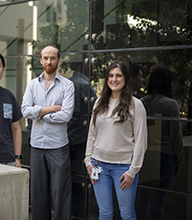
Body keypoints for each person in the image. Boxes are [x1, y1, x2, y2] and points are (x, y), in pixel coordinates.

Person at [84, 60, 147, 220]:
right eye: (111, 76)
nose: (114, 79)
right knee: (104, 214)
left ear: (125, 78)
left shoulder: (136, 105)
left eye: (118, 75)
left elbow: (141, 141)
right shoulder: (99, 102)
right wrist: (88, 162)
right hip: (99, 167)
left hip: (123, 168)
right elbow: (92, 134)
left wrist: (133, 171)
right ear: (107, 79)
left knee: (127, 214)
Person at [21, 45, 75, 220]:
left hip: (58, 147)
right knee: (38, 196)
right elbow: (24, 111)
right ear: (40, 60)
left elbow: (66, 115)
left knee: (61, 195)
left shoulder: (68, 85)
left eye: (53, 58)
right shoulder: (32, 85)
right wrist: (51, 109)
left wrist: (39, 114)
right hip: (36, 147)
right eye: (45, 58)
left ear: (59, 60)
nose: (49, 61)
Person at [136, 66, 184, 220]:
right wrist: (179, 160)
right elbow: (176, 137)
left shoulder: (141, 103)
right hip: (165, 157)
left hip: (145, 156)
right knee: (158, 202)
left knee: (142, 200)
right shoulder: (171, 104)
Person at [68, 60, 97, 175]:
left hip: (69, 138)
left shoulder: (69, 82)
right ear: (84, 65)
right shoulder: (84, 85)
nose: (94, 66)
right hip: (80, 139)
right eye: (92, 62)